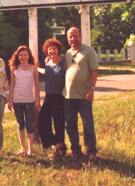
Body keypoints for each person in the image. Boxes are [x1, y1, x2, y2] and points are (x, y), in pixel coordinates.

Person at [64, 27, 99, 160]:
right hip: (68, 95)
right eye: (70, 37)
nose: (72, 39)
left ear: (81, 36)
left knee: (87, 123)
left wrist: (91, 89)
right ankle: (75, 150)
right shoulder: (67, 53)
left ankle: (91, 151)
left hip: (84, 95)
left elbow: (94, 71)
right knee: (70, 123)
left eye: (75, 36)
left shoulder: (89, 51)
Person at [36, 39, 67, 159]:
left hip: (60, 97)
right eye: (49, 49)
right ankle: (56, 143)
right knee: (42, 122)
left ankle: (60, 151)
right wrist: (37, 69)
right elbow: (47, 72)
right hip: (48, 96)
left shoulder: (64, 63)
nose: (52, 51)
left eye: (54, 48)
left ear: (58, 50)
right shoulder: (47, 63)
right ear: (46, 51)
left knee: (59, 123)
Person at [8, 46, 40, 156]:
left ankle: (30, 150)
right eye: (21, 55)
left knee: (29, 125)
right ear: (17, 56)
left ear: (29, 56)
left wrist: (37, 100)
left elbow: (36, 86)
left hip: (30, 101)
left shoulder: (33, 68)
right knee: (20, 124)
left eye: (25, 55)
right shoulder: (14, 69)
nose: (23, 57)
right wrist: (10, 100)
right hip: (17, 101)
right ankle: (23, 149)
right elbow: (12, 85)